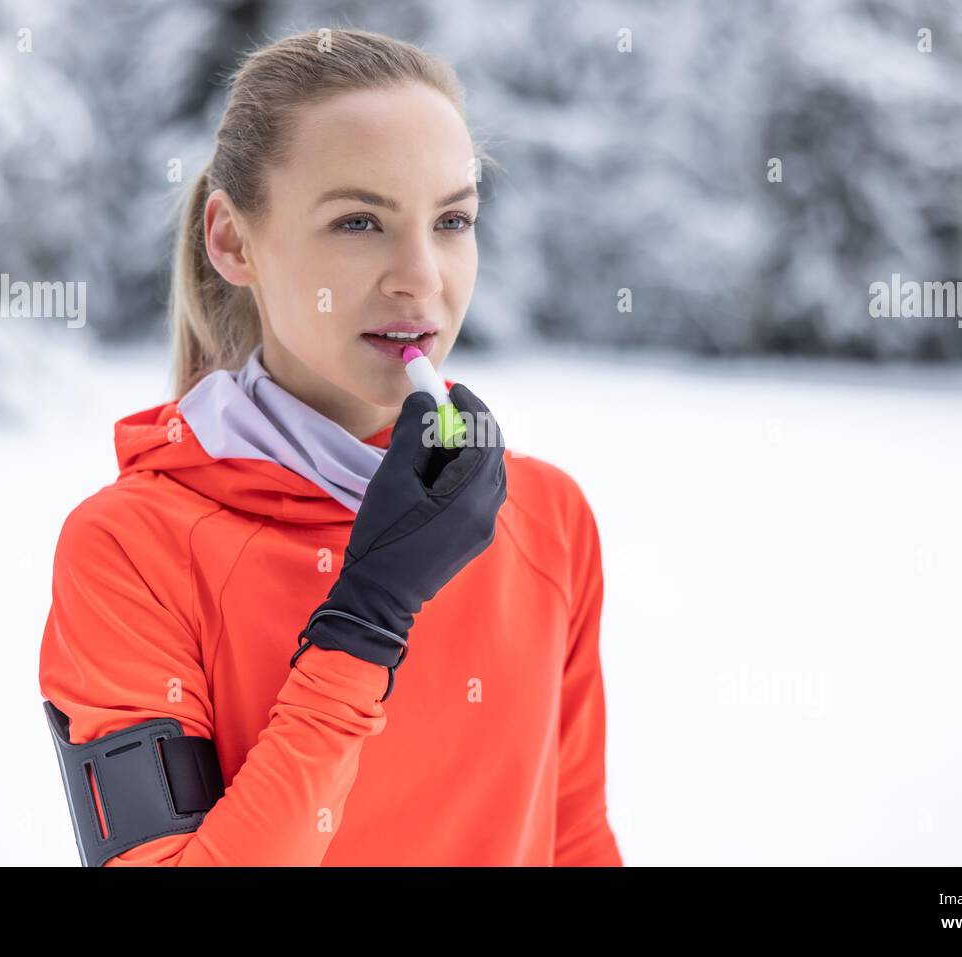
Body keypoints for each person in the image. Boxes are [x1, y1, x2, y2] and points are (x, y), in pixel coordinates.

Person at [38, 27, 622, 866]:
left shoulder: (548, 518)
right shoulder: (130, 549)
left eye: (453, 219)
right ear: (233, 240)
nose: (421, 275)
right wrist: (366, 619)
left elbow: (576, 837)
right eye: (359, 221)